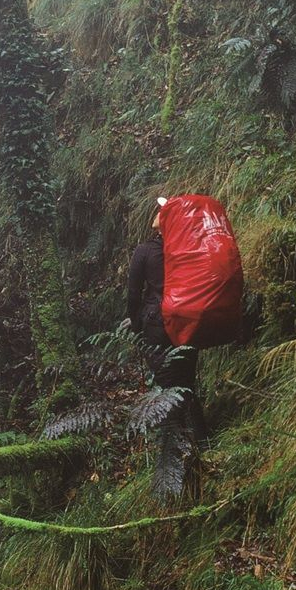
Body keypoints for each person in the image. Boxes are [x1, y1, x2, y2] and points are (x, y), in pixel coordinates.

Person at [124, 198, 205, 489]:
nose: (157, 212)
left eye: (162, 210)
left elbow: (134, 294)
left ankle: (172, 459)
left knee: (166, 388)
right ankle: (203, 444)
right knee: (187, 385)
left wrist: (135, 325)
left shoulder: (145, 251)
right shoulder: (189, 249)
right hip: (186, 324)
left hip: (156, 324)